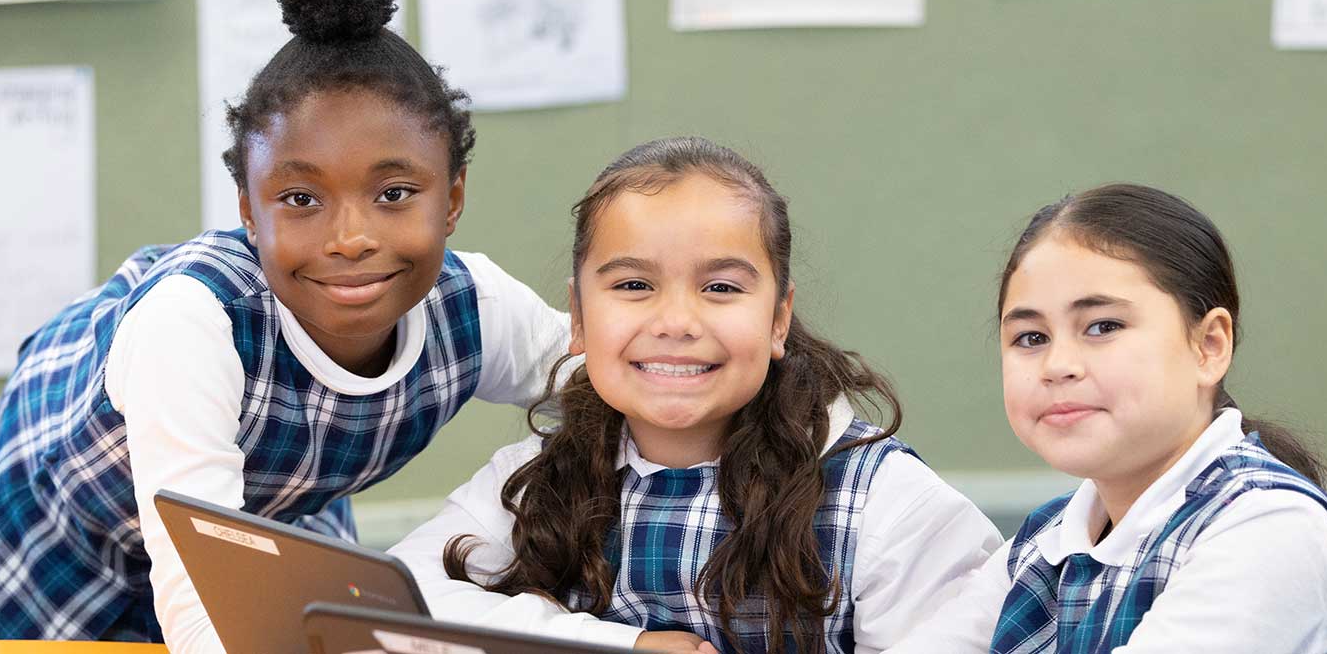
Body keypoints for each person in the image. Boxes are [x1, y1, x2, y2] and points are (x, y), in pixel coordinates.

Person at [0, 0, 573, 651]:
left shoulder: (478, 307)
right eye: (301, 200)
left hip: (269, 500)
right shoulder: (191, 329)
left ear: (454, 197)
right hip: (75, 510)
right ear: (248, 213)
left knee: (307, 629)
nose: (351, 240)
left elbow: (624, 387)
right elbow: (201, 603)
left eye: (395, 194)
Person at [390, 137, 1001, 653]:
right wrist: (617, 645)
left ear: (778, 319)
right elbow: (390, 601)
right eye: (634, 284)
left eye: (720, 287)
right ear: (578, 317)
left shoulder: (886, 504)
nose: (676, 321)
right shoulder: (533, 478)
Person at [888, 183, 1327, 653]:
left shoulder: (1269, 527)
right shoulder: (1043, 543)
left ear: (1210, 345)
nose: (1057, 366)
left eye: (1103, 327)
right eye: (1031, 337)